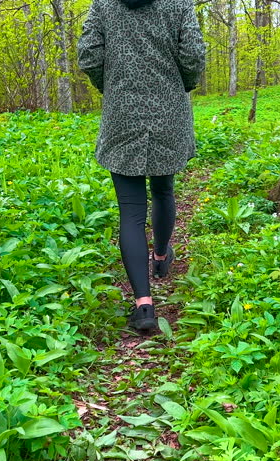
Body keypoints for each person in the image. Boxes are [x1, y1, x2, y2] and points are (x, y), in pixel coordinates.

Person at [78, 0, 206, 333]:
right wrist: (183, 86)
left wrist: (112, 87)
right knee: (163, 190)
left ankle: (143, 305)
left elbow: (89, 54)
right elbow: (193, 55)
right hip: (169, 113)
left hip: (122, 114)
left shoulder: (104, 5)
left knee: (130, 212)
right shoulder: (178, 4)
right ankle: (162, 258)